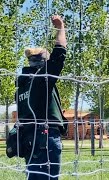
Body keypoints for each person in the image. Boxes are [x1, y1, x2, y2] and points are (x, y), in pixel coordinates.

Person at [15, 15, 67, 180]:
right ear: (44, 62)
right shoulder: (41, 80)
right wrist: (60, 27)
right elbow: (60, 54)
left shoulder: (22, 86)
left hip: (30, 140)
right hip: (46, 138)